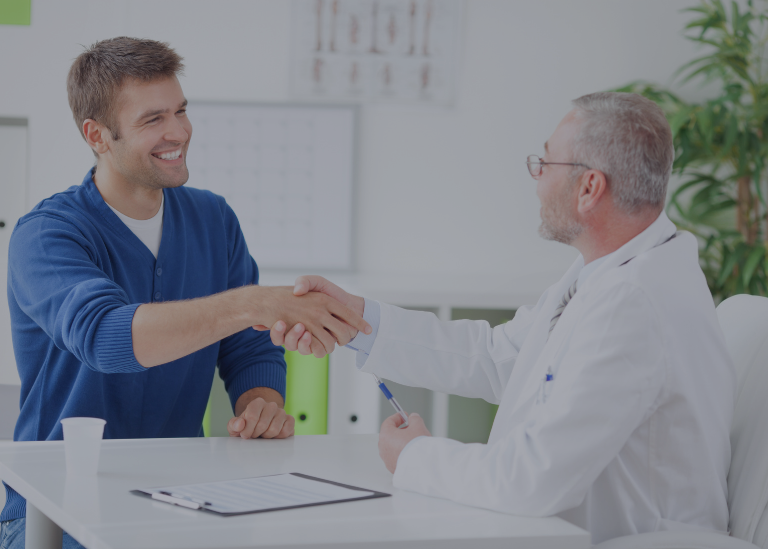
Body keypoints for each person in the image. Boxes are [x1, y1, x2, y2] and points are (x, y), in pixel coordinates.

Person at [269, 92, 736, 544]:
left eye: (545, 163)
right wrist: (358, 321)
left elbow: (533, 478)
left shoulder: (634, 304)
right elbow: (499, 357)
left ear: (590, 187)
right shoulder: (612, 269)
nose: (535, 178)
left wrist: (415, 456)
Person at [0, 37, 369, 549]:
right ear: (98, 135)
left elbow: (248, 345)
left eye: (180, 111)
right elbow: (108, 337)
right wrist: (252, 302)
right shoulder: (46, 234)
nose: (178, 132)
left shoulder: (212, 219)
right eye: (153, 120)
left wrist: (260, 400)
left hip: (175, 497)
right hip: (55, 512)